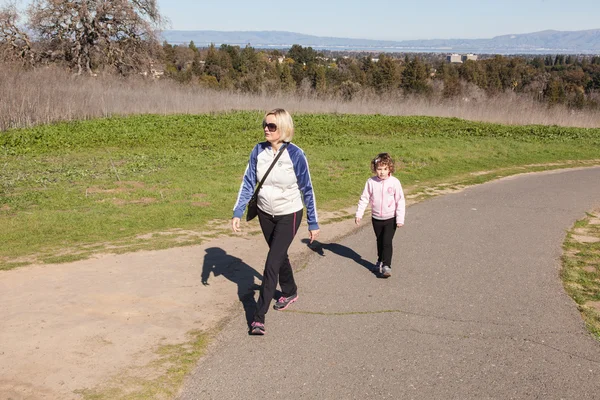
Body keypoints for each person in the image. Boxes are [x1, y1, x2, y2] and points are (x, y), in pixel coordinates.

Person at [232, 108, 320, 335]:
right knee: (278, 254)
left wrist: (313, 222)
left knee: (272, 262)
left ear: (284, 129)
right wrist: (237, 211)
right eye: (265, 124)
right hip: (264, 213)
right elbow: (248, 182)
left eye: (271, 126)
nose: (266, 129)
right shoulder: (258, 151)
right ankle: (289, 291)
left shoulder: (296, 155)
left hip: (289, 213)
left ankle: (258, 317)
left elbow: (307, 189)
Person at [355, 152, 405, 278]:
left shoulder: (394, 182)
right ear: (375, 169)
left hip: (390, 218)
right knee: (380, 240)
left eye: (385, 169)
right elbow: (364, 198)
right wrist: (359, 214)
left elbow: (400, 200)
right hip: (376, 218)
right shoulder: (371, 182)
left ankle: (387, 266)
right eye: (379, 169)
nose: (382, 172)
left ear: (390, 169)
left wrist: (400, 218)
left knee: (387, 241)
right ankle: (380, 261)